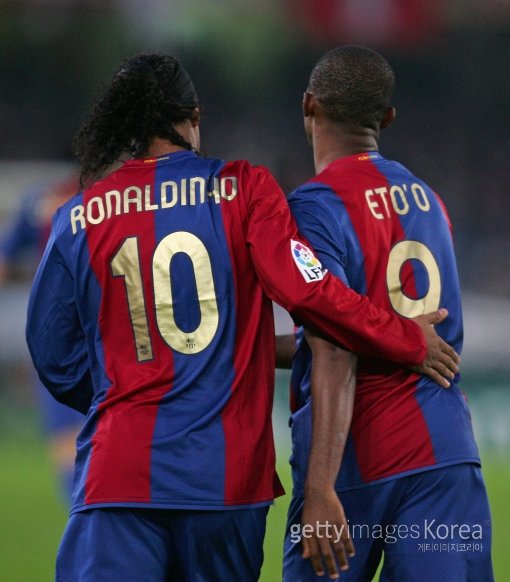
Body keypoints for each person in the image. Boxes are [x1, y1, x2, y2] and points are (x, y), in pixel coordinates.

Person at [25, 53, 458, 582]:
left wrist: (126, 393)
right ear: (194, 116)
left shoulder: (78, 215)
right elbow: (313, 295)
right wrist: (404, 336)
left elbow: (51, 352)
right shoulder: (243, 188)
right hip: (226, 482)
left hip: (118, 475)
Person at [282, 46, 494, 581]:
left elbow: (335, 344)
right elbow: (373, 326)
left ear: (309, 105)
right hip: (444, 459)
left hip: (355, 460)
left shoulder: (314, 207)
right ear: (388, 118)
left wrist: (319, 486)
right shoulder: (429, 200)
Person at [0, 175, 83, 501]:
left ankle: (82, 510)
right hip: (94, 328)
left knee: (69, 436)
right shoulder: (116, 197)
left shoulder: (42, 200)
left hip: (60, 329)